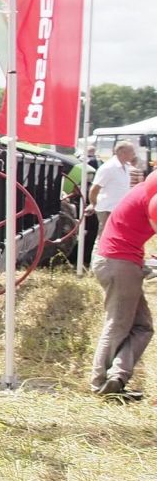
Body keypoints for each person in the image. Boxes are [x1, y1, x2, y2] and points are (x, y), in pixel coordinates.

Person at [90, 165, 157, 398]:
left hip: (118, 261)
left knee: (142, 326)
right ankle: (100, 383)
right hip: (120, 263)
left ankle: (117, 376)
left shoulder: (146, 190)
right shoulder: (153, 197)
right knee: (118, 324)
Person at [89, 143, 138, 263]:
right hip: (107, 209)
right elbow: (94, 189)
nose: (134, 154)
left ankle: (106, 264)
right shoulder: (108, 167)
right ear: (122, 152)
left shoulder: (125, 167)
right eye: (131, 151)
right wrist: (93, 204)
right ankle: (96, 266)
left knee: (112, 238)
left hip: (117, 209)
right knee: (103, 238)